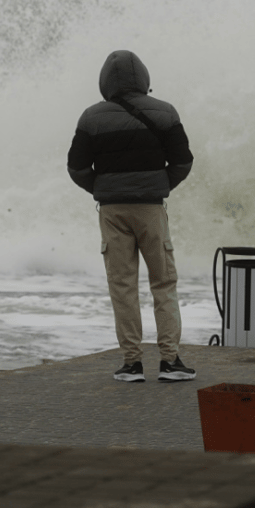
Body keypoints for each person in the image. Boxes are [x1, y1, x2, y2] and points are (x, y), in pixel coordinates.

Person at [67, 50, 196, 382]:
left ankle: (131, 364)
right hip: (151, 210)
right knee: (163, 283)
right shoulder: (165, 112)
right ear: (144, 78)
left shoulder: (91, 118)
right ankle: (170, 362)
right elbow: (183, 162)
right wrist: (159, 184)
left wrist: (104, 188)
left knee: (122, 286)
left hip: (112, 212)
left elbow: (77, 168)